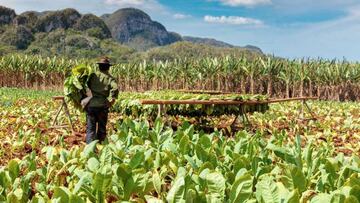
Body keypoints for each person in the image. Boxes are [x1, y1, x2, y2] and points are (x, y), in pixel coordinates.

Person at [85, 57, 118, 144]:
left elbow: (85, 86)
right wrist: (112, 100)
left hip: (91, 105)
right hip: (102, 106)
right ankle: (101, 147)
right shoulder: (110, 78)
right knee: (102, 128)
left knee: (90, 129)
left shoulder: (92, 76)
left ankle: (90, 149)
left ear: (99, 66)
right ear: (108, 67)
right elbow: (115, 88)